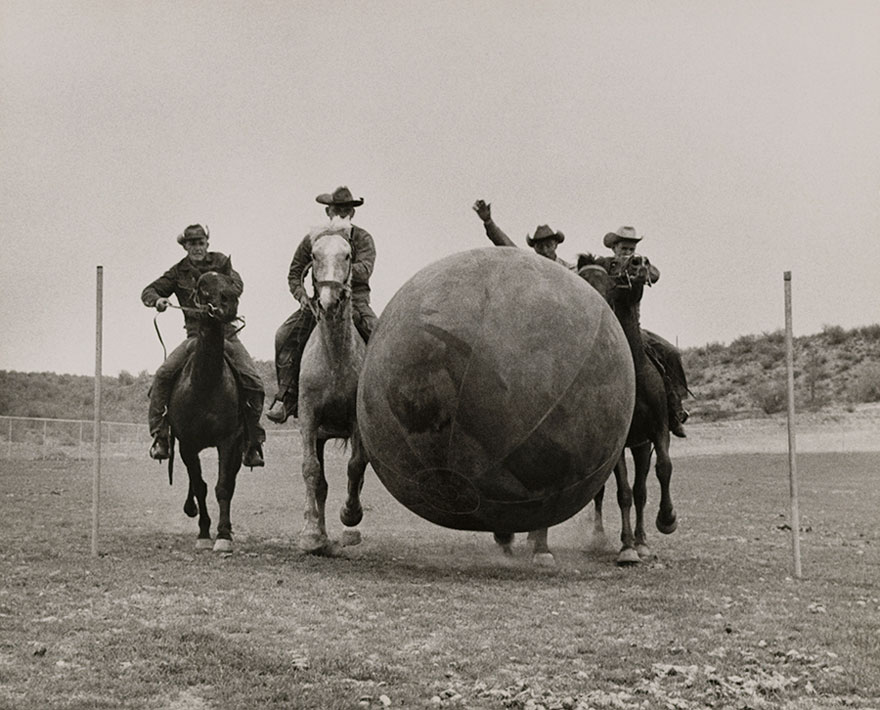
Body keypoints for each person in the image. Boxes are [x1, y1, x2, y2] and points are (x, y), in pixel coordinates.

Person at [141, 224, 266, 466]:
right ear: (185, 246)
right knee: (163, 376)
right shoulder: (177, 272)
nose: (197, 248)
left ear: (207, 243)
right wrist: (158, 300)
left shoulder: (221, 262)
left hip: (227, 335)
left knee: (255, 382)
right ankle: (161, 436)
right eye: (192, 244)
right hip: (195, 337)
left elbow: (237, 285)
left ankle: (252, 441)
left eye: (200, 243)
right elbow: (149, 291)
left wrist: (219, 286)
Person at [267, 186, 377, 424]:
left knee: (379, 337)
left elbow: (365, 269)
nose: (341, 213)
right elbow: (295, 272)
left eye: (346, 209)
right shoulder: (313, 239)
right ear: (328, 211)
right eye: (337, 209)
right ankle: (288, 396)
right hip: (319, 303)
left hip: (355, 302)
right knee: (284, 335)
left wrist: (336, 268)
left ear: (352, 213)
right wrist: (302, 296)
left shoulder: (362, 238)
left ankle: (382, 399)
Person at [579, 226, 690, 437]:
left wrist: (641, 270)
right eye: (624, 248)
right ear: (614, 248)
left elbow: (655, 274)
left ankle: (675, 410)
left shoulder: (639, 263)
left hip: (634, 331)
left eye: (631, 249)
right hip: (607, 331)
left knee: (671, 353)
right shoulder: (604, 264)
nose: (627, 253)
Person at [472, 199, 574, 269]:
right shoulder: (531, 268)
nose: (545, 251)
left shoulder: (570, 271)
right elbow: (508, 247)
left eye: (548, 245)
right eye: (540, 247)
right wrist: (488, 221)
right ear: (535, 249)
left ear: (555, 245)